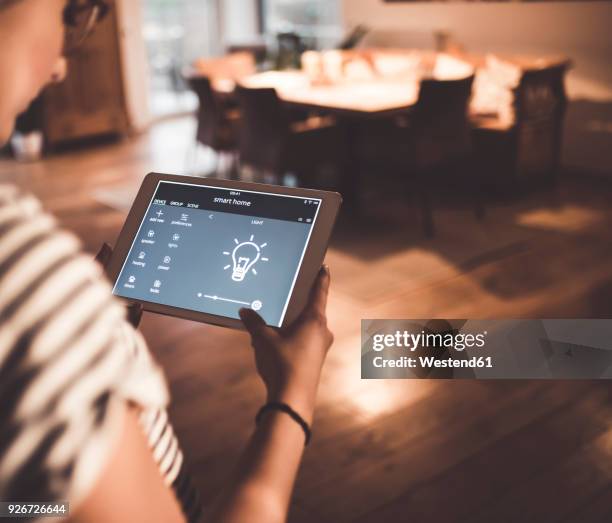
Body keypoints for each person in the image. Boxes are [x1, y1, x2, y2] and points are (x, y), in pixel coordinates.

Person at [0, 1, 334, 522]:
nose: (61, 64)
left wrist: (88, 337)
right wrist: (292, 401)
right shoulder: (18, 274)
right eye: (67, 13)